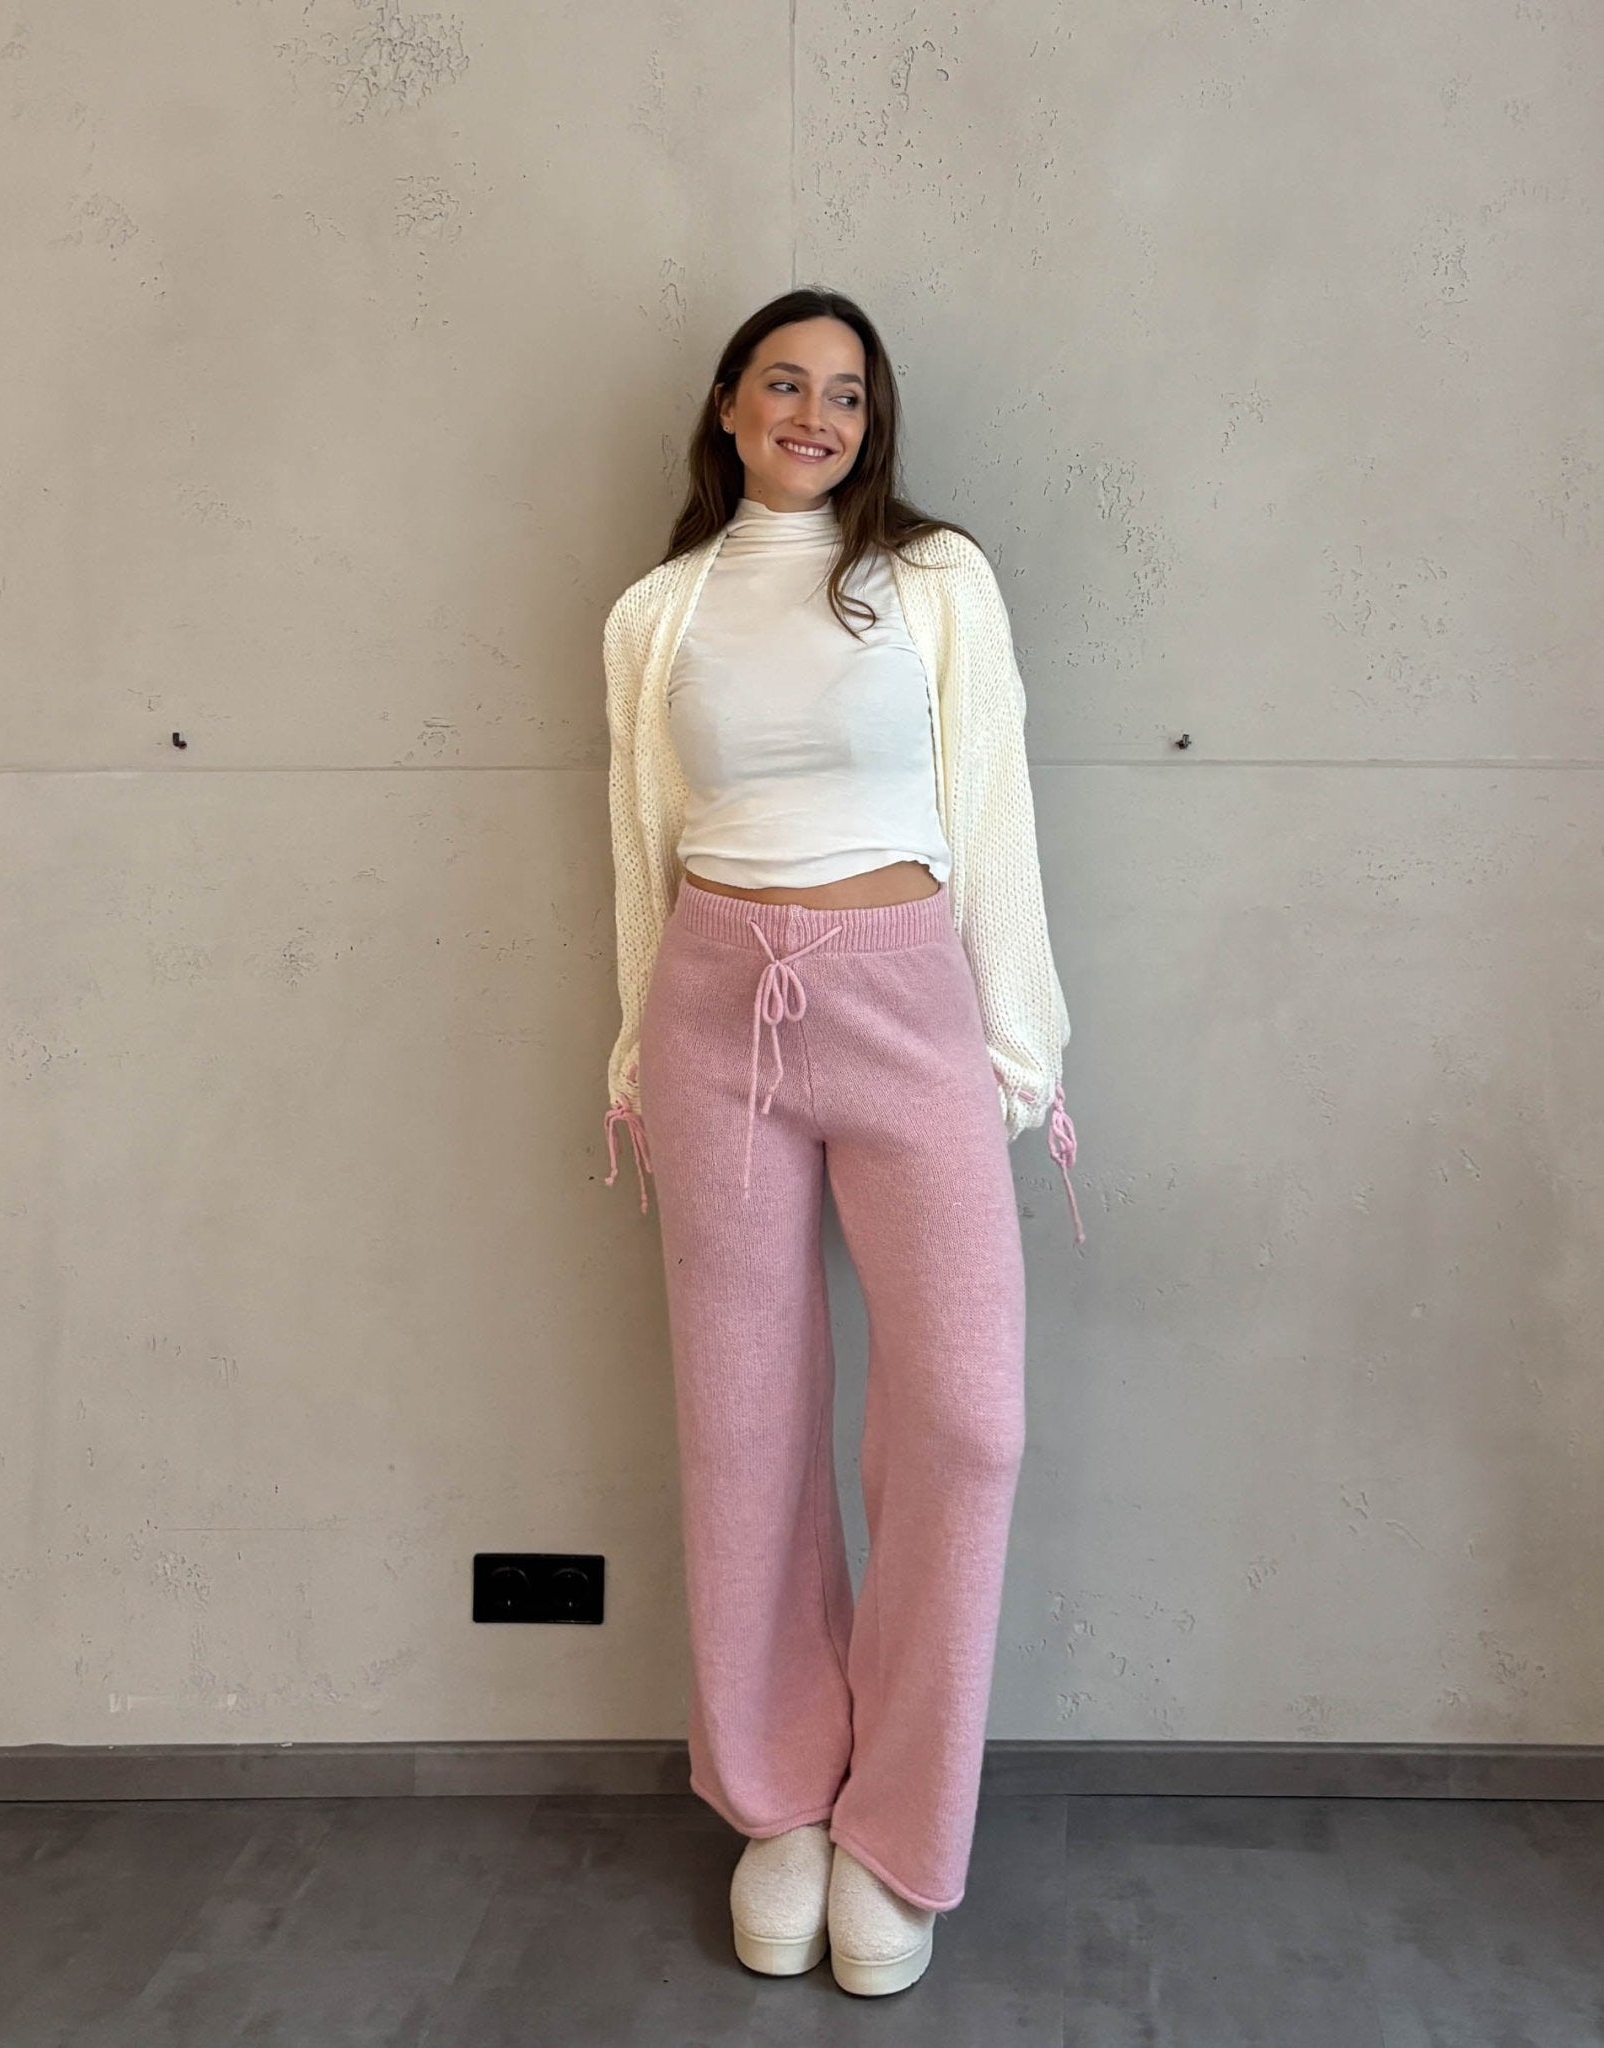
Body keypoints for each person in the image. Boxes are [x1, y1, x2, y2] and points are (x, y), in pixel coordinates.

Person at [599, 286, 1082, 1998]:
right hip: (713, 1009)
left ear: (871, 426)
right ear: (729, 406)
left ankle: (898, 1828)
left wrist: (1015, 1043)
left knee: (965, 1422)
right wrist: (634, 1049)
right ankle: (779, 1802)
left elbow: (995, 803)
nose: (815, 414)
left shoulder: (931, 580)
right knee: (743, 1428)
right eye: (785, 383)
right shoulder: (655, 612)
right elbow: (639, 846)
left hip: (903, 1000)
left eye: (848, 395)